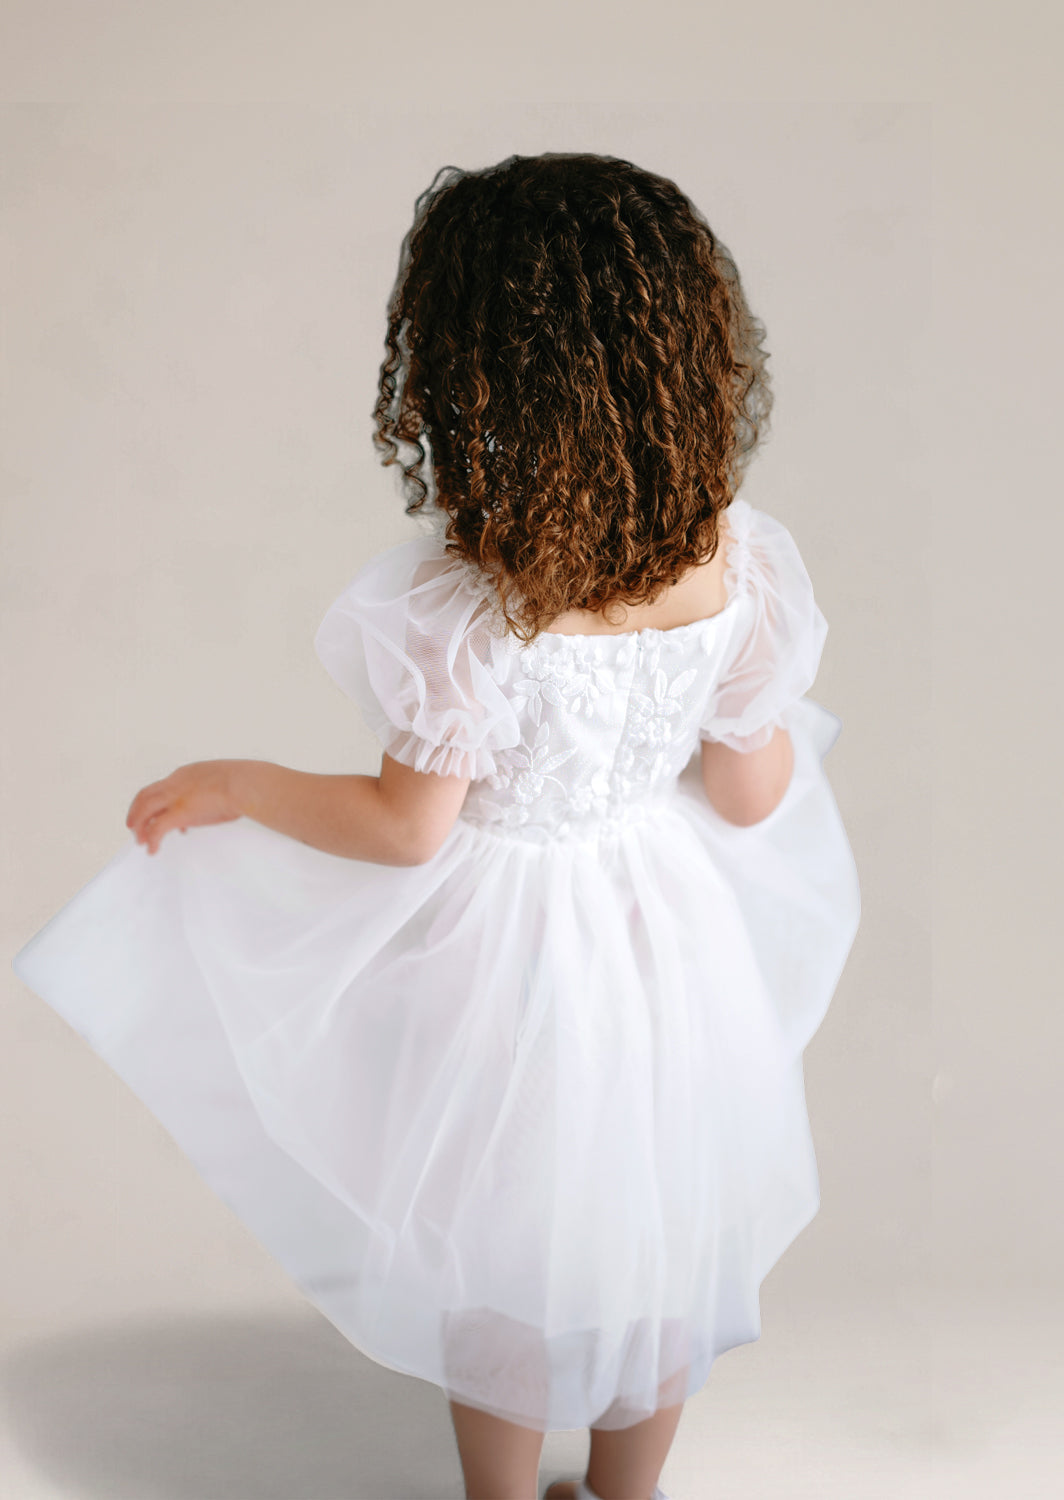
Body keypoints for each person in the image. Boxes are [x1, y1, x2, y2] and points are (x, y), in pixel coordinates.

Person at [12, 151, 861, 1500]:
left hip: (514, 962)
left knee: (503, 1245)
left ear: (483, 377)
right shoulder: (734, 563)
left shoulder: (477, 606)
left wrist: (240, 784)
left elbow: (409, 828)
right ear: (688, 363)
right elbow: (753, 795)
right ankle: (627, 1493)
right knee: (658, 1231)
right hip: (669, 941)